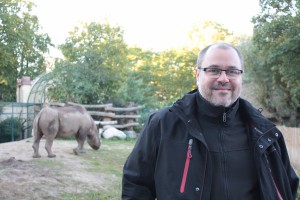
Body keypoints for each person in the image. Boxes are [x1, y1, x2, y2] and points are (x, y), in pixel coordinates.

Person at [122, 42, 299, 200]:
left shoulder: (266, 133)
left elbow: (287, 186)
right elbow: (136, 186)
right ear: (197, 74)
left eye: (232, 71)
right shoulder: (163, 124)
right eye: (213, 70)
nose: (223, 78)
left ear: (241, 76)